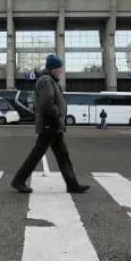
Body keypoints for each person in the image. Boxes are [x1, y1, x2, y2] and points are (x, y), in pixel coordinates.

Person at [11, 54, 90, 194]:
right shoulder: (46, 80)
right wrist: (57, 115)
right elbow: (47, 102)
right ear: (54, 68)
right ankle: (18, 180)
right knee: (38, 153)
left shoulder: (50, 80)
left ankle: (72, 184)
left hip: (54, 123)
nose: (61, 70)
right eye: (60, 67)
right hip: (50, 123)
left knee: (62, 154)